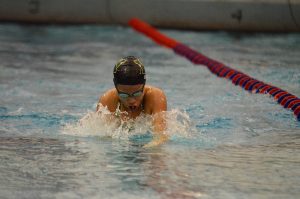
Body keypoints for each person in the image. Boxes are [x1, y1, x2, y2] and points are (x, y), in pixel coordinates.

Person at [96, 56, 168, 147]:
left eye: (137, 93)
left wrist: (149, 148)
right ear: (116, 88)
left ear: (144, 85)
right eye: (124, 95)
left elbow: (161, 136)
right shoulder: (107, 100)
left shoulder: (156, 96)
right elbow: (102, 139)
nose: (131, 101)